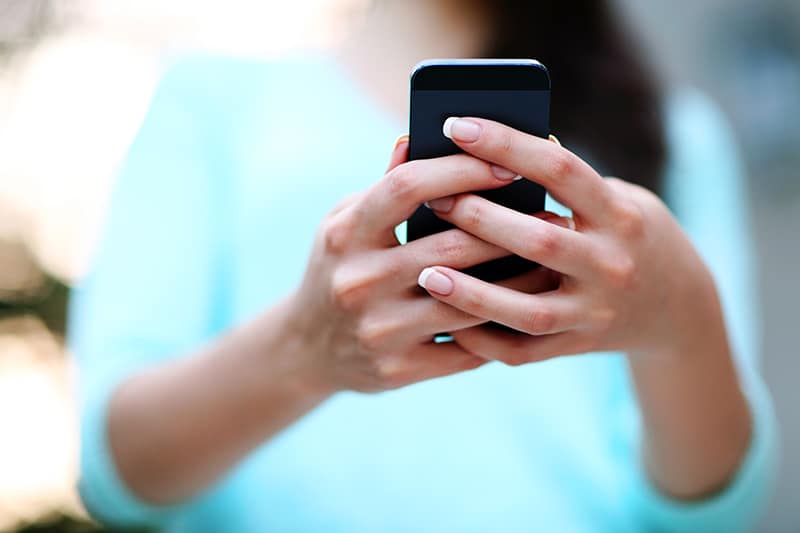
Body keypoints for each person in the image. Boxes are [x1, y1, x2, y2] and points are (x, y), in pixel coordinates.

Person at [69, 1, 778, 531]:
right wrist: (301, 352)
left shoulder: (672, 136)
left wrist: (681, 322)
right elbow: (120, 470)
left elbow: (712, 510)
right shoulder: (211, 100)